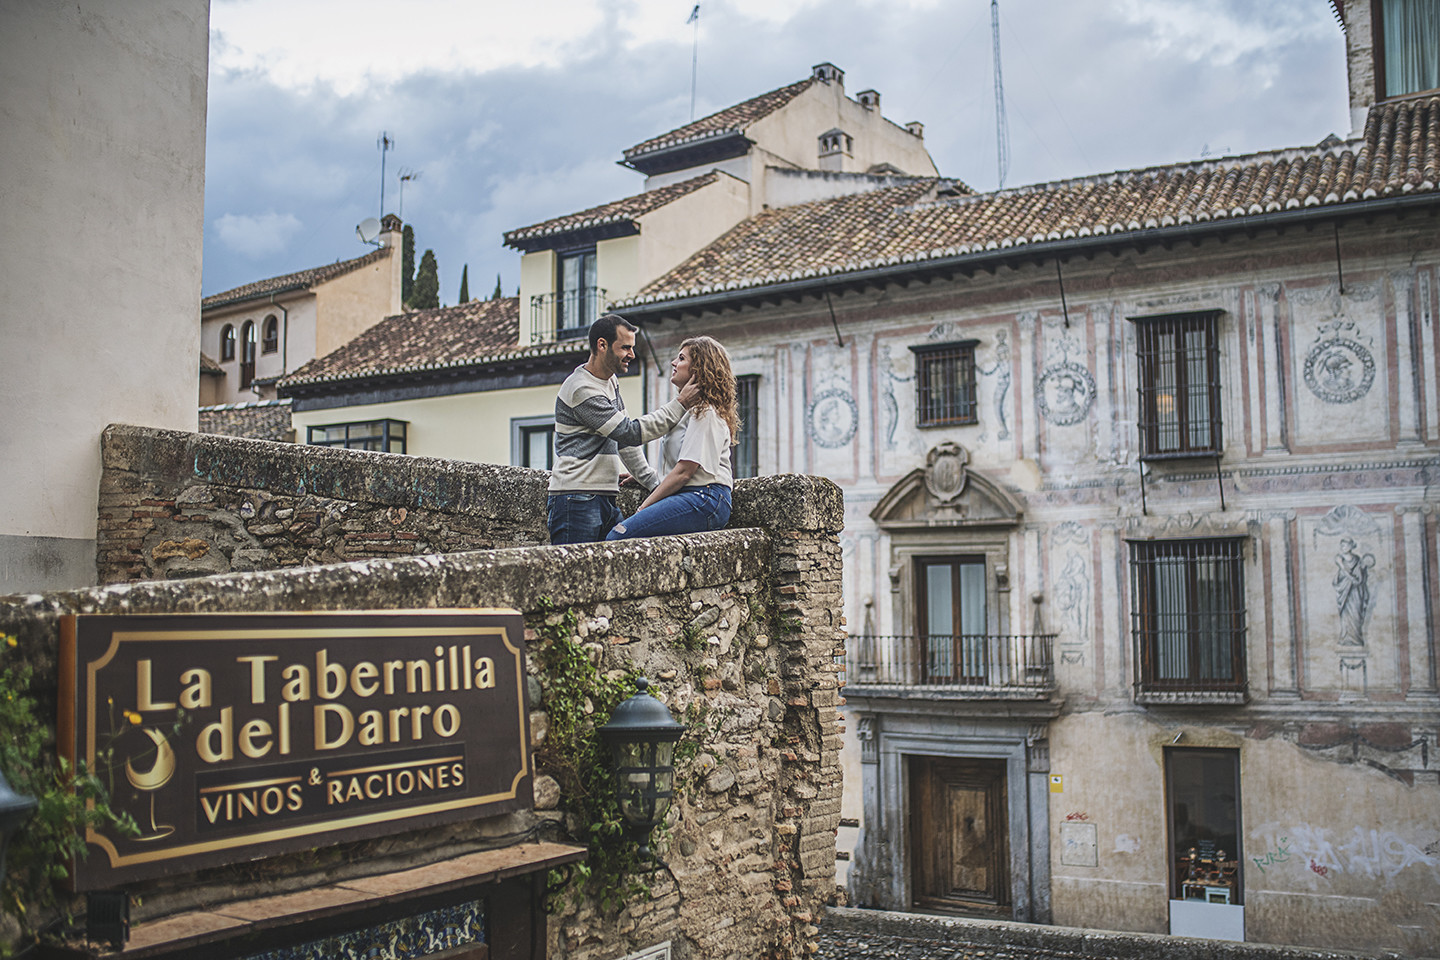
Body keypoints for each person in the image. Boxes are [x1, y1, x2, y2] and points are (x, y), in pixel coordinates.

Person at [548, 314, 698, 544]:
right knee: (576, 577)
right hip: (575, 498)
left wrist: (652, 482)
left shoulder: (610, 382)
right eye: (625, 347)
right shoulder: (581, 388)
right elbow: (629, 432)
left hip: (604, 497)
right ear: (602, 345)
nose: (632, 354)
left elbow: (624, 442)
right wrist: (681, 404)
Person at [607, 336, 738, 541]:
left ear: (698, 369)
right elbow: (681, 466)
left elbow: (685, 472)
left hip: (705, 498)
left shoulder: (706, 413)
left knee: (618, 535)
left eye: (681, 358)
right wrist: (655, 477)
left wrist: (644, 507)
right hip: (691, 495)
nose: (673, 363)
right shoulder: (688, 411)